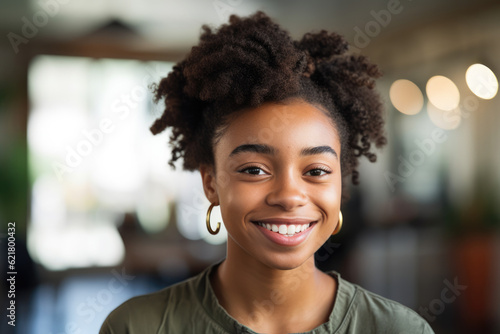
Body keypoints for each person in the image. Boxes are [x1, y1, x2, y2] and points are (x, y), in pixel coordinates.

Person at [100, 11, 434, 334]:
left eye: (316, 170)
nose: (289, 196)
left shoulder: (399, 330)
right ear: (210, 183)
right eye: (254, 169)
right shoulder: (135, 327)